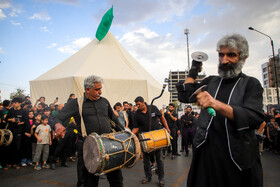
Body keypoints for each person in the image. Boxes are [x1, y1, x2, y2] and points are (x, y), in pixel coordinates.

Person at [176, 34, 264, 187]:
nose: (224, 60)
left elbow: (253, 116)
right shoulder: (211, 81)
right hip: (206, 155)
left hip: (235, 159)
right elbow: (185, 95)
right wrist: (194, 69)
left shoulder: (251, 84)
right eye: (221, 55)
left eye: (231, 55)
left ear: (243, 58)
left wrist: (216, 104)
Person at [52, 75, 124, 187]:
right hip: (88, 148)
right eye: (97, 89)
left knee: (117, 180)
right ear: (87, 89)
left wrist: (126, 134)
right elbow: (56, 118)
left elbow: (114, 121)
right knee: (88, 182)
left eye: (100, 88)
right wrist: (57, 126)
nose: (100, 92)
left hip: (109, 146)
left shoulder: (104, 101)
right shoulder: (76, 103)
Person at [132, 96, 171, 187]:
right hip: (145, 139)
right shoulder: (137, 114)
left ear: (143, 102)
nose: (137, 106)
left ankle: (161, 178)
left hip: (157, 137)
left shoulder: (153, 108)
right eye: (136, 105)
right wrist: (130, 134)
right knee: (146, 160)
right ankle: (148, 177)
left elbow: (162, 118)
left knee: (159, 159)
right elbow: (136, 128)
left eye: (139, 104)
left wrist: (167, 128)